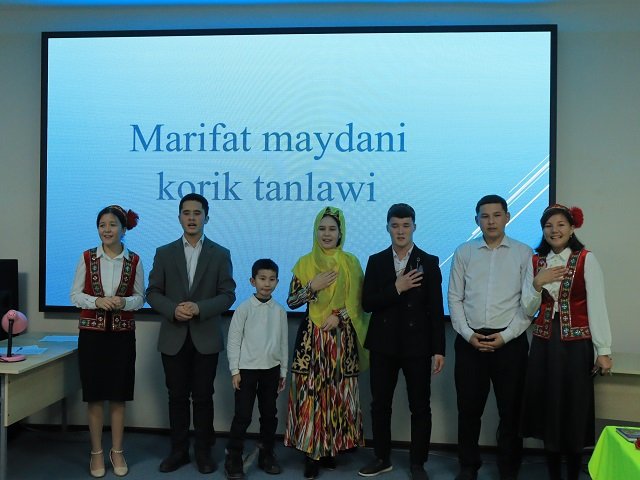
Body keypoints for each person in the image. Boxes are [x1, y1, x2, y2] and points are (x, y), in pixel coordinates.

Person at [520, 204, 612, 480]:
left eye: (561, 224)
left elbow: (597, 305)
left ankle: (572, 473)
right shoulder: (536, 261)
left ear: (572, 228)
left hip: (576, 345)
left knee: (574, 406)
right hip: (544, 343)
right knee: (548, 405)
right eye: (549, 226)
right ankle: (553, 474)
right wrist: (538, 283)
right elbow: (527, 309)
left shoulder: (585, 259)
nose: (554, 230)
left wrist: (603, 350)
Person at [146, 193, 236, 474]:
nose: (192, 218)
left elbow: (228, 295)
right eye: (186, 213)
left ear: (206, 217)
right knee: (176, 397)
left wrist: (199, 308)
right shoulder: (164, 252)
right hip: (173, 336)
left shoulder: (220, 254)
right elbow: (153, 292)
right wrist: (173, 309)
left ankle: (203, 452)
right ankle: (179, 451)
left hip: (205, 337)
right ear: (179, 217)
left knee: (203, 397)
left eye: (197, 213)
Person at [358, 203, 445, 480]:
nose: (400, 231)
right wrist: (396, 288)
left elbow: (435, 309)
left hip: (417, 346)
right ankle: (381, 457)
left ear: (414, 227)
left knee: (420, 406)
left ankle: (418, 463)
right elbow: (367, 303)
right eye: (395, 225)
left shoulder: (428, 262)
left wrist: (439, 349)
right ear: (387, 228)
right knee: (379, 404)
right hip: (383, 345)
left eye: (406, 225)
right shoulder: (376, 261)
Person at [447, 194, 532, 480]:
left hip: (510, 343)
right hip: (470, 342)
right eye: (485, 216)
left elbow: (528, 304)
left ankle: (509, 468)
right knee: (468, 410)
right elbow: (454, 298)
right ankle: (468, 466)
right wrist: (468, 334)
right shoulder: (464, 252)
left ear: (507, 217)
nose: (491, 221)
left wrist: (506, 337)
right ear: (477, 220)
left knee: (511, 411)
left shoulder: (523, 253)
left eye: (497, 215)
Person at [284, 206, 369, 480]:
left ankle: (330, 447)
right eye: (322, 229)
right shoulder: (305, 262)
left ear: (340, 232)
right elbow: (291, 301)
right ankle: (312, 452)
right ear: (315, 231)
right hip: (312, 339)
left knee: (337, 393)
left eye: (332, 229)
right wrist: (312, 287)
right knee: (311, 394)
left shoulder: (351, 262)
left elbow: (361, 302)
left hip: (341, 340)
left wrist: (340, 316)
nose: (327, 234)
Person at [70, 205, 144, 478]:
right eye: (102, 225)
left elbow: (140, 298)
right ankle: (96, 452)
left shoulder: (134, 260)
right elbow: (75, 295)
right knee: (94, 396)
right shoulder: (87, 257)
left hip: (122, 336)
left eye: (113, 225)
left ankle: (117, 451)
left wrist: (124, 302)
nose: (107, 230)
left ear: (123, 229)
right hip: (92, 336)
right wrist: (96, 301)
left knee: (118, 396)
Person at [224, 259, 288, 480]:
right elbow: (233, 341)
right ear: (252, 281)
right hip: (247, 371)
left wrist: (283, 372)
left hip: (271, 370)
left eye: (271, 279)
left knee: (269, 415)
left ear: (277, 282)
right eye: (262, 279)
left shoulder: (279, 311)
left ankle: (266, 454)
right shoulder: (244, 309)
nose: (266, 284)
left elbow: (283, 343)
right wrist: (235, 370)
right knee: (242, 415)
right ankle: (233, 456)